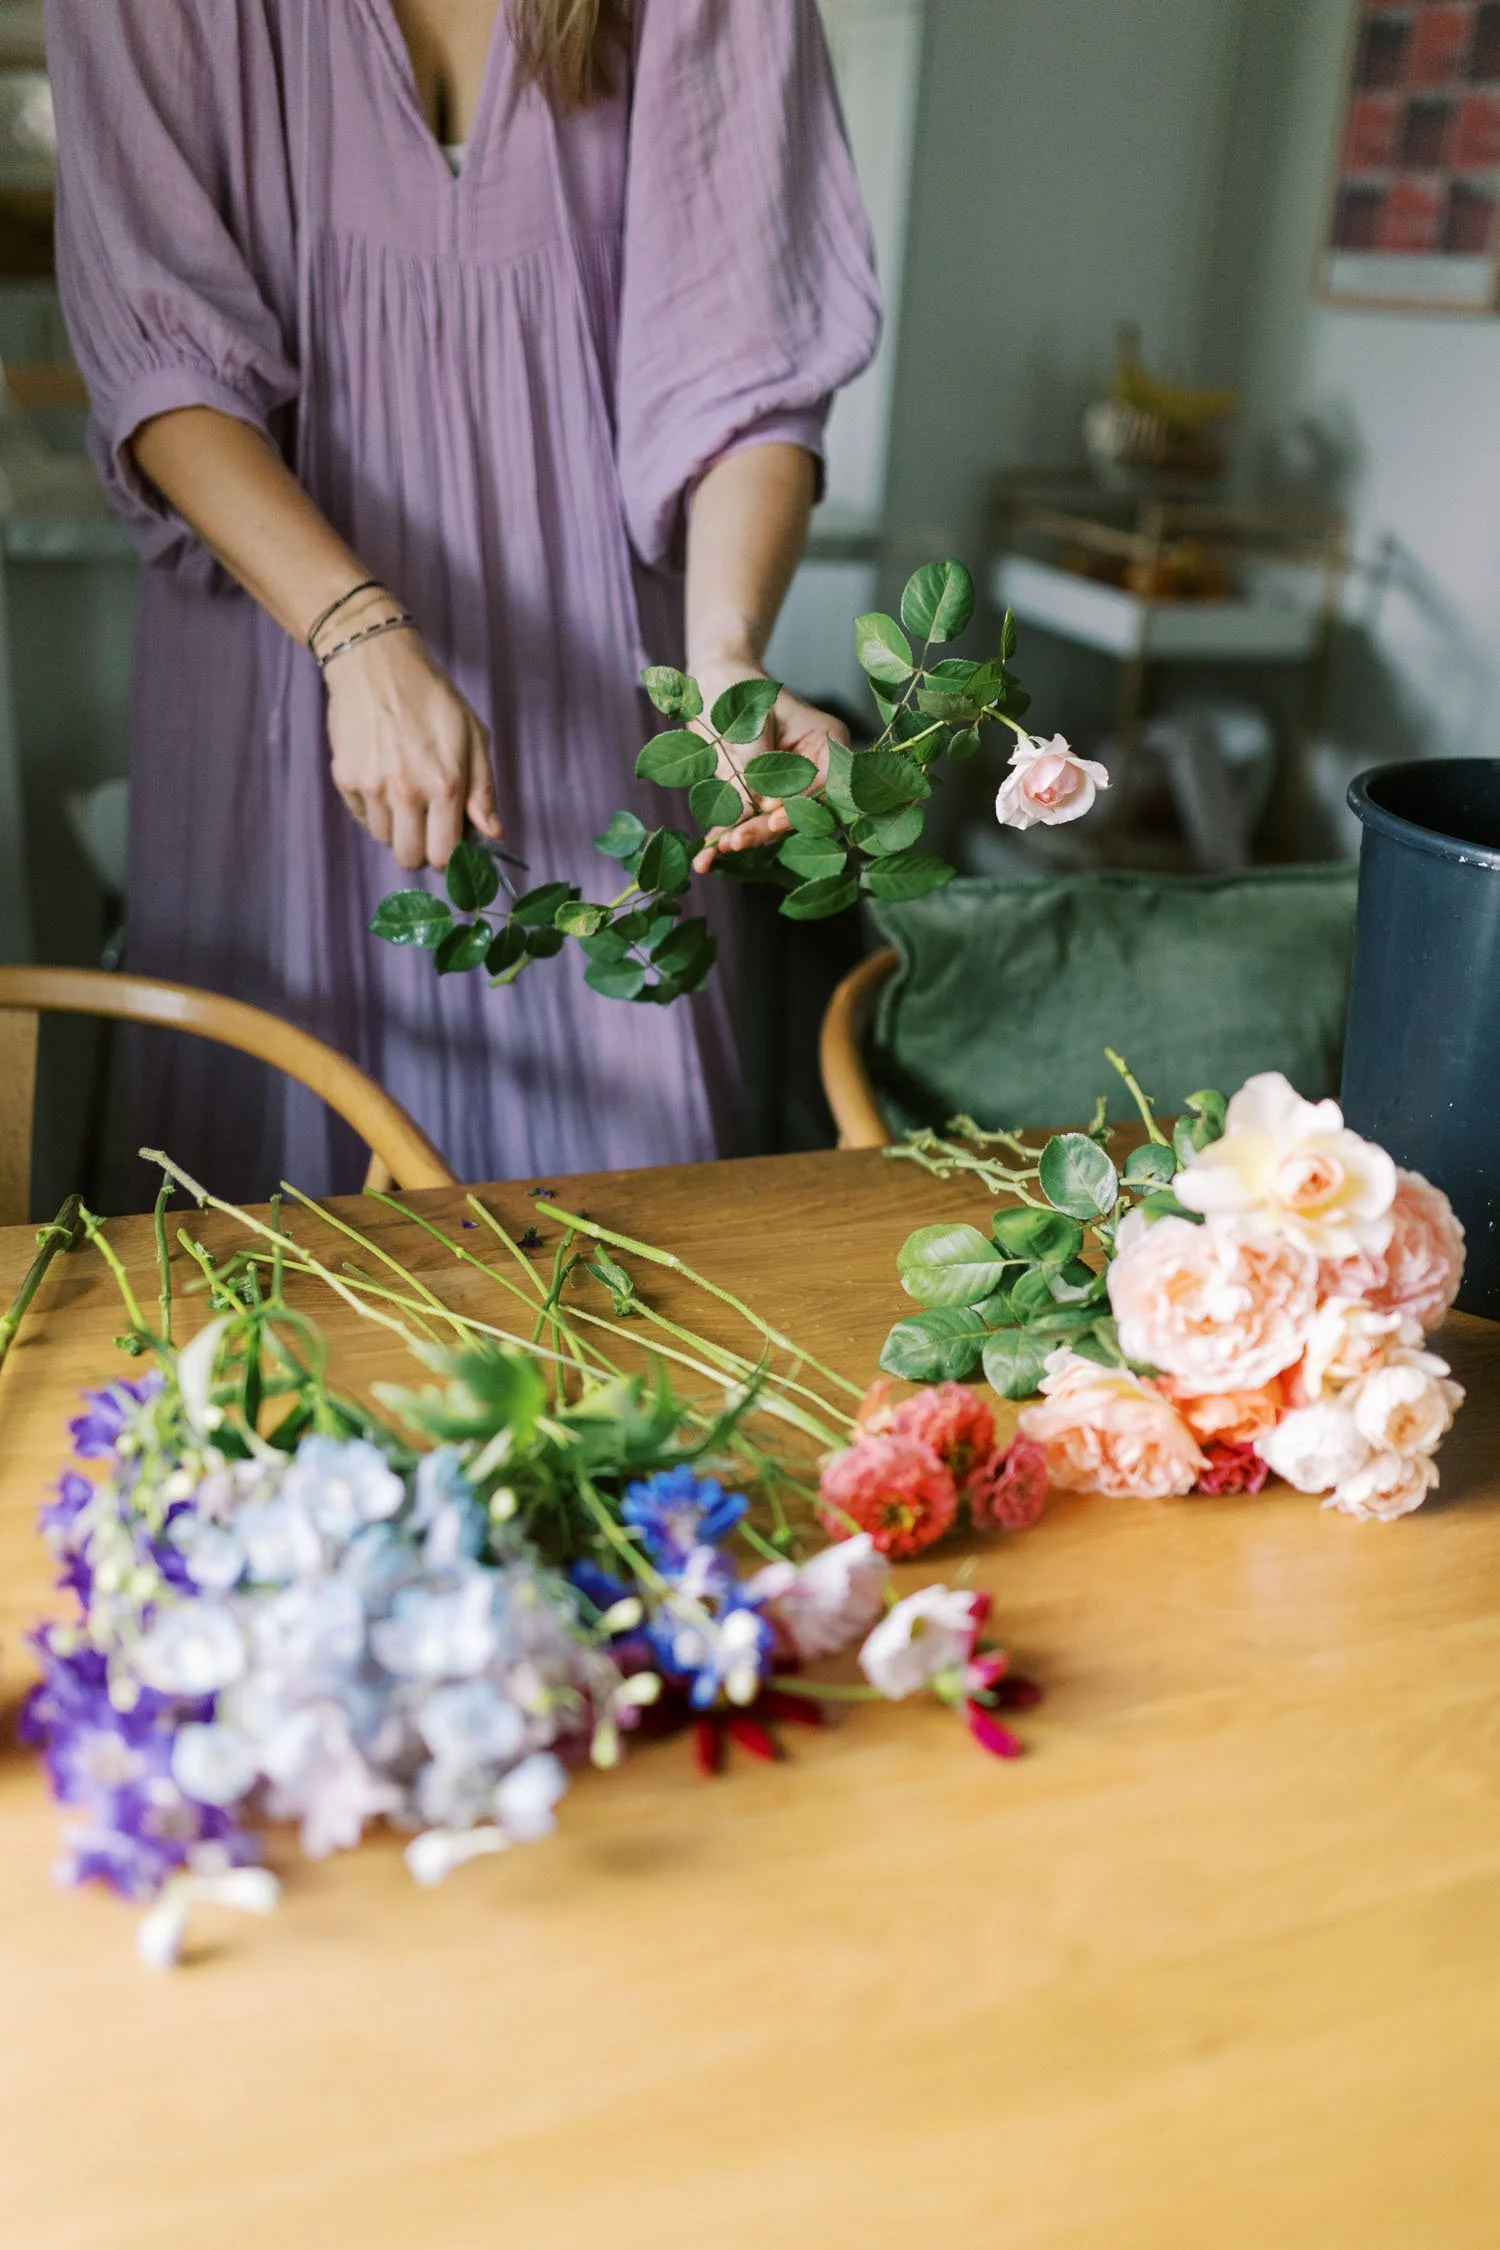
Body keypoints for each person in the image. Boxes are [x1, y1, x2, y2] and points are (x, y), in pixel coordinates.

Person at [46, 0, 880, 1195]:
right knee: (270, 1266)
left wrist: (726, 664)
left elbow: (742, 374)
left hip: (608, 704)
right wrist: (355, 634)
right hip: (272, 674)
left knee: (631, 1248)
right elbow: (160, 352)